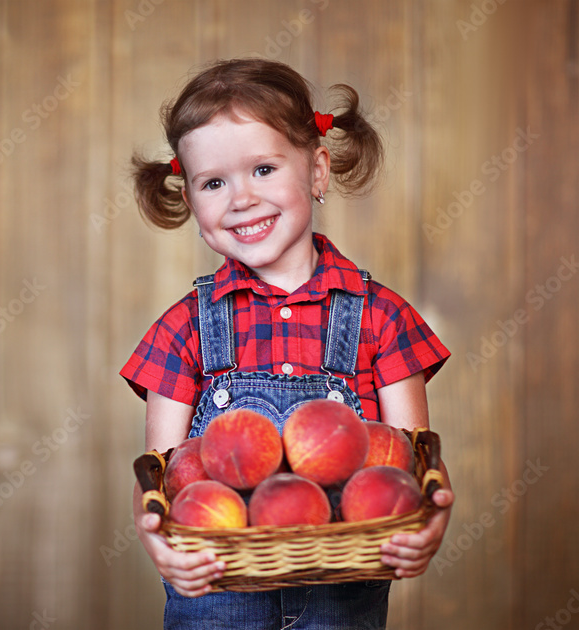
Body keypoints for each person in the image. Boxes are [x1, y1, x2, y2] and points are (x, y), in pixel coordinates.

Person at [120, 58, 455, 629]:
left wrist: (428, 524)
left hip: (342, 595)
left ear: (318, 172)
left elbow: (412, 456)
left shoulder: (382, 316)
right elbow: (162, 474)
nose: (241, 198)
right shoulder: (186, 328)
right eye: (215, 182)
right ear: (193, 203)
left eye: (264, 169)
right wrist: (160, 544)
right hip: (216, 590)